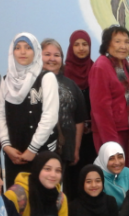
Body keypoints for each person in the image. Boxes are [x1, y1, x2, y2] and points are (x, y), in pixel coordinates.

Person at [0, 33, 59, 187]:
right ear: (12, 52)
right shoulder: (6, 80)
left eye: (28, 48)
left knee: (42, 201)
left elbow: (49, 117)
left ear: (36, 51)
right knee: (16, 202)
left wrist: (32, 149)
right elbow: (0, 114)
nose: (22, 52)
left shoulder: (46, 77)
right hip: (14, 154)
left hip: (41, 152)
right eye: (18, 48)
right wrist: (6, 146)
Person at [89, 25, 129, 165]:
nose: (123, 46)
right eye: (118, 41)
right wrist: (112, 144)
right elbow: (101, 110)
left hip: (126, 132)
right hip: (110, 134)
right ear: (107, 44)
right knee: (112, 176)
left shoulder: (124, 64)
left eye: (126, 42)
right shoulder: (101, 66)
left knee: (123, 177)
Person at [41, 38, 87, 201]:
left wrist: (75, 148)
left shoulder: (72, 85)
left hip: (64, 149)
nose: (52, 59)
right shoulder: (33, 83)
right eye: (47, 54)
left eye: (56, 55)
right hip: (39, 150)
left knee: (60, 193)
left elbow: (79, 119)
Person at [64, 30, 98, 200]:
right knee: (72, 176)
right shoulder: (63, 73)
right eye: (76, 44)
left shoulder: (95, 69)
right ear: (71, 47)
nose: (81, 48)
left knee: (91, 175)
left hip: (92, 136)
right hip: (70, 136)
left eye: (84, 44)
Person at [4, 151, 68, 216]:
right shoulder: (16, 195)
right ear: (38, 168)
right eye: (47, 169)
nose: (53, 175)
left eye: (58, 171)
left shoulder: (60, 198)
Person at [93, 141, 129, 208]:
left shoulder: (127, 172)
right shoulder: (97, 177)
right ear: (104, 159)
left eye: (120, 157)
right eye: (111, 158)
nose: (117, 162)